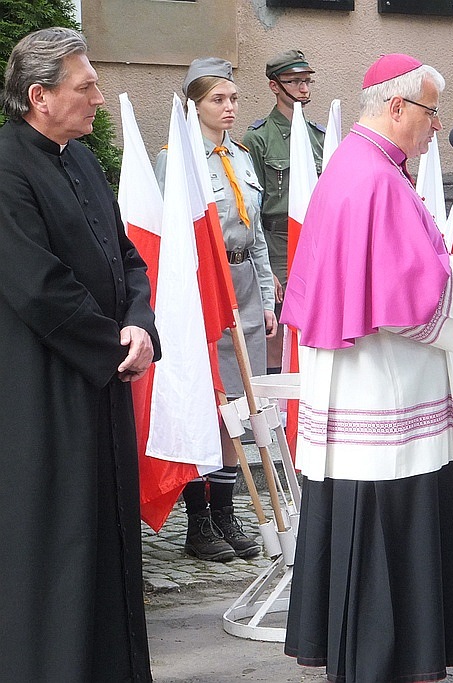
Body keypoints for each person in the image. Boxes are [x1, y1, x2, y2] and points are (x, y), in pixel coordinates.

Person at [281, 53, 453, 682]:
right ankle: (380, 656)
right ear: (398, 106)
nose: (437, 126)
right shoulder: (374, 177)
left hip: (373, 382)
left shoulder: (363, 166)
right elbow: (406, 301)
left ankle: (386, 651)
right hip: (381, 389)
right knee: (384, 515)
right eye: (431, 112)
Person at [0, 27, 159, 680]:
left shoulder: (85, 160)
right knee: (59, 550)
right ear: (40, 96)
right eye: (84, 85)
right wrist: (113, 346)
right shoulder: (7, 168)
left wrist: (141, 325)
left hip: (103, 385)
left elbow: (125, 256)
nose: (99, 95)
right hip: (48, 395)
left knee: (110, 544)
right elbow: (38, 287)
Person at [156, 57, 277, 561]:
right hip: (203, 287)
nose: (229, 108)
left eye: (232, 98)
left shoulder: (242, 156)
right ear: (193, 105)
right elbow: (167, 240)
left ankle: (226, 511)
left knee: (240, 406)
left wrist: (268, 296)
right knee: (206, 402)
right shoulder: (176, 159)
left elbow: (256, 234)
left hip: (244, 281)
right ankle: (198, 519)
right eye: (216, 100)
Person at [243, 49, 325, 373]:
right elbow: (252, 207)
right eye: (295, 81)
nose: (304, 88)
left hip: (316, 241)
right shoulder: (258, 138)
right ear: (275, 86)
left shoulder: (318, 137)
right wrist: (267, 269)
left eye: (307, 81)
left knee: (315, 323)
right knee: (279, 330)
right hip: (277, 243)